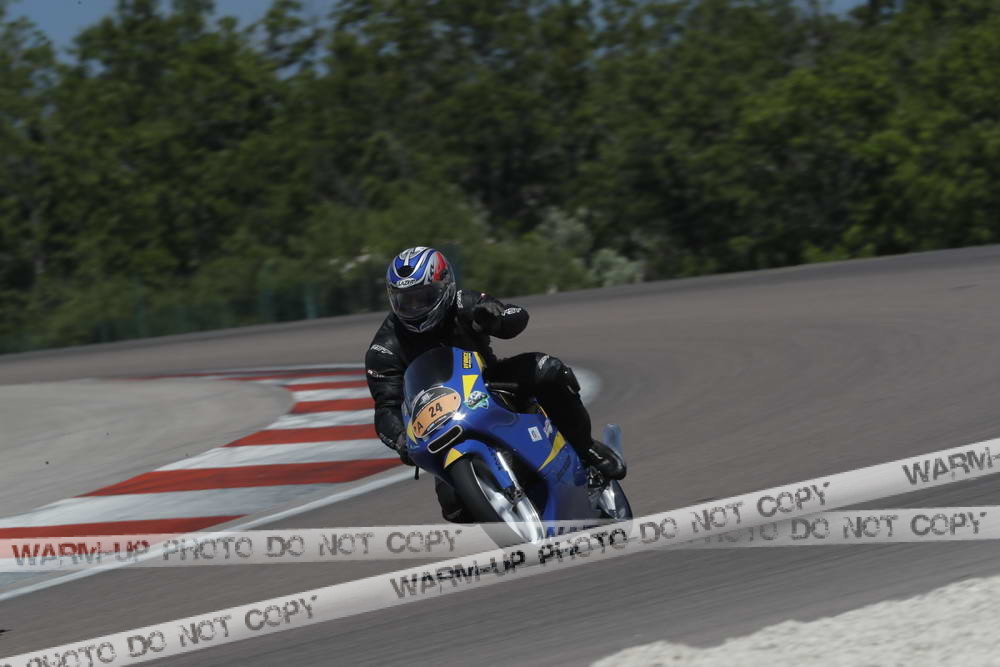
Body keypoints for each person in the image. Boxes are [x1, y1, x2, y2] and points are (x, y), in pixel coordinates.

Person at [364, 246, 626, 522]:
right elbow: (386, 407)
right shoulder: (384, 349)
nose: (415, 308)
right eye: (405, 301)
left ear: (445, 287)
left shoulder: (464, 303)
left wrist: (497, 317)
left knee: (549, 370)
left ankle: (585, 448)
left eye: (424, 297)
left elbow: (517, 315)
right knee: (454, 508)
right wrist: (399, 438)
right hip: (439, 419)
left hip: (490, 381)